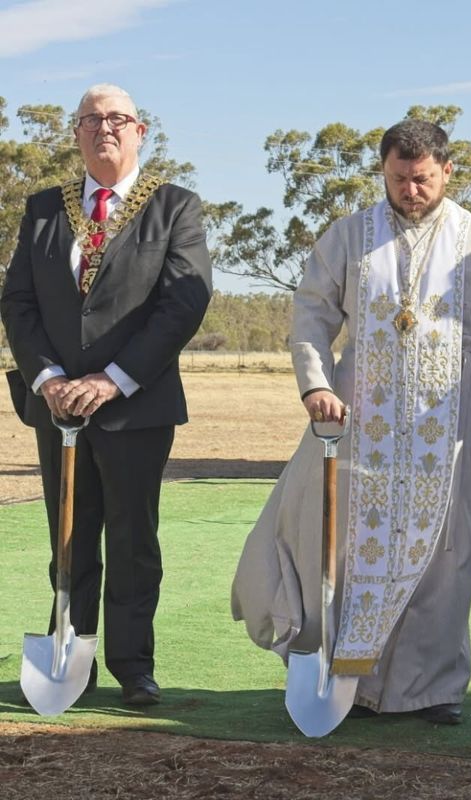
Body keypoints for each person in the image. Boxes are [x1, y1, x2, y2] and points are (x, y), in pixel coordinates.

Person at [231, 119, 471, 724]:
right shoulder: (347, 237)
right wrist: (315, 384)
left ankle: (433, 690)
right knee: (341, 551)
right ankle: (353, 683)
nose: (410, 191)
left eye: (422, 180)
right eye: (398, 179)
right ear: (383, 173)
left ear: (447, 172)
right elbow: (312, 314)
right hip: (359, 429)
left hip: (454, 430)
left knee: (447, 557)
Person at [1, 84, 213, 706]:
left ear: (140, 129)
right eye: (90, 119)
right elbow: (18, 301)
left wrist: (112, 378)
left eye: (116, 118)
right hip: (57, 407)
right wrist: (48, 378)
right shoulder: (43, 209)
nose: (104, 128)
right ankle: (71, 656)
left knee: (131, 539)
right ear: (75, 134)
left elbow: (184, 303)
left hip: (135, 406)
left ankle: (131, 664)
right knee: (67, 535)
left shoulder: (175, 208)